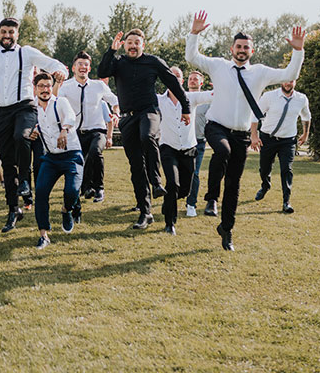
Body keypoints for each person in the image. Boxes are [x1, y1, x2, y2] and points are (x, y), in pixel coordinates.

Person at [186, 10, 305, 250]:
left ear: (252, 51)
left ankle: (226, 229)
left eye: (246, 47)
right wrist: (194, 34)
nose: (241, 50)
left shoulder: (260, 72)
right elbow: (192, 57)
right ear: (232, 49)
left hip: (240, 134)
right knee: (221, 151)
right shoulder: (218, 66)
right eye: (238, 46)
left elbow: (290, 74)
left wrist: (298, 50)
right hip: (216, 126)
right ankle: (211, 198)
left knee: (234, 184)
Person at [0, 17, 67, 233]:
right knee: (7, 163)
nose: (7, 36)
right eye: (3, 32)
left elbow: (51, 63)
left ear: (16, 35)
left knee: (22, 136)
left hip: (25, 107)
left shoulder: (26, 52)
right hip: (2, 113)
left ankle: (25, 181)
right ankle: (13, 210)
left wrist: (59, 71)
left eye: (11, 32)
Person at [97, 29, 190, 230]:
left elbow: (173, 83)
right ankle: (145, 213)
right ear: (124, 45)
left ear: (143, 45)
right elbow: (102, 72)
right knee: (136, 168)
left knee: (148, 136)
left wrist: (186, 107)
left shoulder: (153, 62)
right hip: (127, 118)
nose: (132, 46)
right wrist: (110, 51)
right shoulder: (119, 62)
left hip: (149, 112)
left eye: (136, 42)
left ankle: (156, 183)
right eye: (129, 42)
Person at [157, 67, 213, 235]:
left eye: (178, 76)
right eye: (171, 75)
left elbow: (212, 95)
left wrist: (220, 85)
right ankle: (170, 224)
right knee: (172, 184)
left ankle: (168, 203)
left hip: (189, 148)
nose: (174, 78)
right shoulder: (159, 99)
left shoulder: (191, 98)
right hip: (168, 148)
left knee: (184, 190)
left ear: (182, 80)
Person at [31, 73, 83, 249]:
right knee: (41, 192)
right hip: (51, 158)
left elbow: (70, 116)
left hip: (72, 155)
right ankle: (43, 234)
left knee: (72, 191)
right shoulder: (32, 107)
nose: (45, 90)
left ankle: (66, 210)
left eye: (48, 86)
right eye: (41, 86)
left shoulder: (60, 102)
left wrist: (64, 130)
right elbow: (28, 126)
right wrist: (31, 132)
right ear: (35, 88)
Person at [58, 51, 118, 204]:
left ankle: (99, 188)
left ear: (89, 69)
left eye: (86, 65)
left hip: (97, 130)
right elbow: (57, 104)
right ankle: (84, 188)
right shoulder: (66, 86)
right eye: (80, 64)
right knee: (78, 160)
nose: (83, 67)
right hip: (75, 132)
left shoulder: (98, 86)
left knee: (95, 152)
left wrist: (116, 113)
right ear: (73, 68)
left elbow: (114, 100)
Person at [252, 80, 311, 214]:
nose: (288, 83)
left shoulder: (301, 99)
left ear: (295, 82)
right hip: (268, 139)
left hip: (288, 141)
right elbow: (255, 114)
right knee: (264, 168)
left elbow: (306, 116)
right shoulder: (269, 96)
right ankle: (265, 185)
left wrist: (305, 133)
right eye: (285, 80)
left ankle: (286, 201)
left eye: (291, 81)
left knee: (286, 169)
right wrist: (254, 135)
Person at [185, 71, 211, 218]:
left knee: (194, 173)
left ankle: (191, 204)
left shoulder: (206, 101)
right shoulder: (181, 97)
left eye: (196, 79)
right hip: (180, 141)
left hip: (198, 142)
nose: (192, 81)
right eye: (190, 79)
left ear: (201, 83)